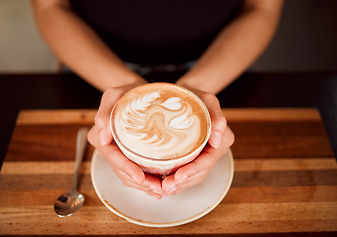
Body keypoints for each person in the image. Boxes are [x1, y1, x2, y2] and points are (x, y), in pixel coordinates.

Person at [31, 0, 283, 199]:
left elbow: (261, 8)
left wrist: (196, 88)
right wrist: (125, 87)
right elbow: (50, 7)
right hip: (91, 63)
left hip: (223, 64)